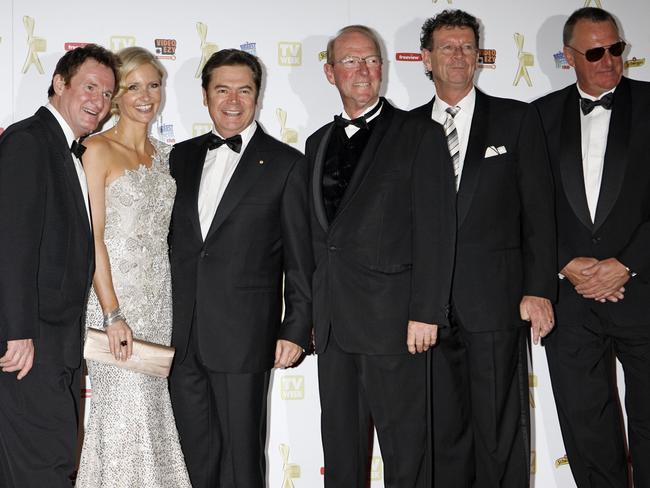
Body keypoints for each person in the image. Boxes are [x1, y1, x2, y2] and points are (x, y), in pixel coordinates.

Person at [412, 10, 557, 487]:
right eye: (447, 47)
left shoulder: (517, 118)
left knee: (500, 434)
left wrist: (538, 289)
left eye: (467, 47)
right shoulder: (406, 131)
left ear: (479, 57)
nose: (459, 55)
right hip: (426, 311)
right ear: (427, 59)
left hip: (496, 305)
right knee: (441, 434)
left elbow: (539, 212)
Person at [307, 25, 456, 487]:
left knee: (406, 450)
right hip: (334, 327)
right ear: (331, 73)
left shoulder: (420, 133)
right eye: (350, 61)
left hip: (395, 323)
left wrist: (426, 311)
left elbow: (437, 229)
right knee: (341, 448)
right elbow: (318, 239)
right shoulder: (316, 143)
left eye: (372, 60)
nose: (364, 70)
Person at [168, 49, 312, 488]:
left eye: (244, 90)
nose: (233, 100)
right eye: (222, 89)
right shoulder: (178, 157)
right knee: (192, 459)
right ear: (206, 96)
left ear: (258, 95)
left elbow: (301, 257)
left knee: (241, 462)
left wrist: (294, 327)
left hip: (245, 336)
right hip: (180, 335)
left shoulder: (286, 164)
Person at [534, 7, 650, 487]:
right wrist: (564, 261)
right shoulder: (537, 117)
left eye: (617, 49)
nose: (609, 61)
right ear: (569, 57)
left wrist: (627, 263)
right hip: (571, 301)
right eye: (596, 52)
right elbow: (526, 206)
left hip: (643, 292)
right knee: (586, 429)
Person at [0, 45, 117, 488]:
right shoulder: (29, 140)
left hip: (58, 344)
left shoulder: (66, 149)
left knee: (52, 460)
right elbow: (12, 243)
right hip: (30, 345)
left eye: (107, 95)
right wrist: (17, 331)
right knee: (42, 466)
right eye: (90, 87)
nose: (99, 102)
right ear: (60, 83)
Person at [75, 47, 191, 487]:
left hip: (158, 302)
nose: (146, 96)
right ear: (116, 96)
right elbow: (94, 239)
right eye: (132, 87)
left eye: (154, 85)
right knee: (123, 418)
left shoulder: (166, 156)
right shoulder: (96, 150)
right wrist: (112, 314)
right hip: (114, 302)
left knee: (152, 416)